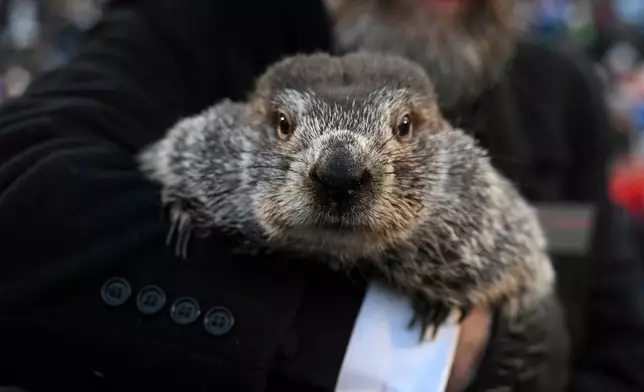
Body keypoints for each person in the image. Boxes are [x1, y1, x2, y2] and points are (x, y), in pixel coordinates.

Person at [0, 0, 642, 391]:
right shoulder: (197, 28)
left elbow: (618, 345)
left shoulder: (563, 95)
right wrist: (388, 351)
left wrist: (509, 350)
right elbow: (21, 188)